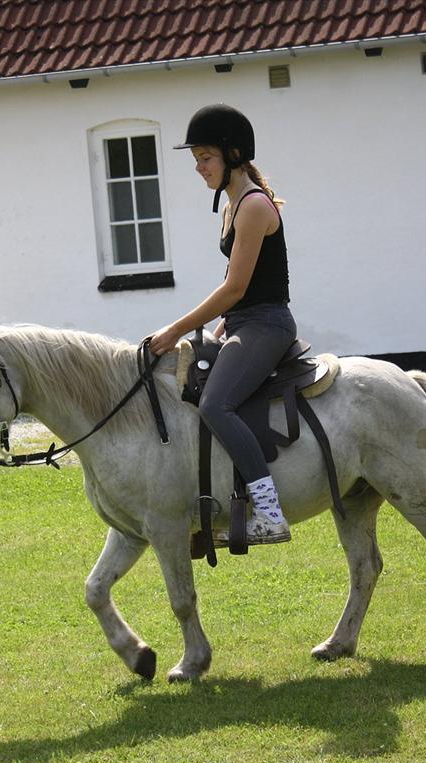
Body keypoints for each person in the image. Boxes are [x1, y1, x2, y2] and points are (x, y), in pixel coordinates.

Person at [148, 104, 296, 545]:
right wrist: (218, 327)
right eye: (196, 160)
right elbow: (235, 290)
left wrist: (175, 330)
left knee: (215, 405)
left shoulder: (252, 206)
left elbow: (235, 287)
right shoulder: (232, 206)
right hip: (242, 323)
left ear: (233, 154)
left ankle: (269, 513)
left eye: (205, 158)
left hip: (267, 325)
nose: (199, 168)